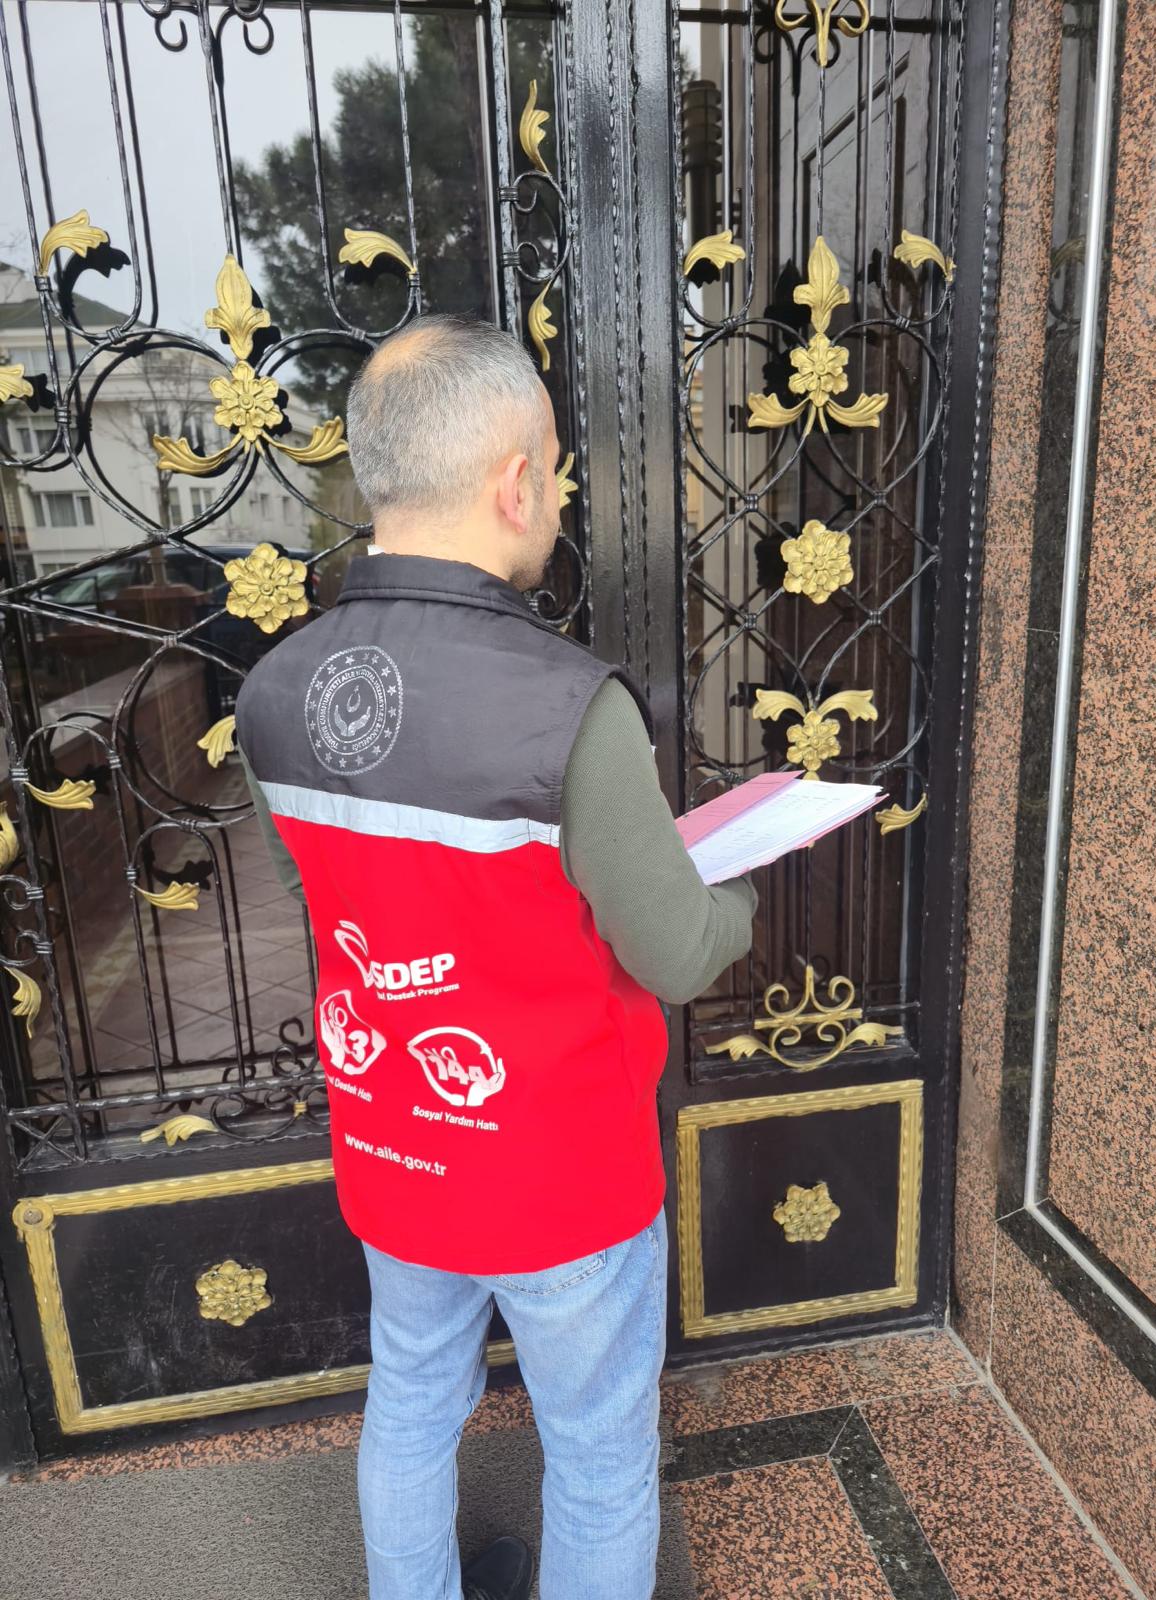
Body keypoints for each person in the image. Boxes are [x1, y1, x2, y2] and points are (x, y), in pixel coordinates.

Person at [236, 315, 756, 1600]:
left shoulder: (273, 693)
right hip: (559, 1168)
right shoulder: (566, 705)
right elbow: (676, 951)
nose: (560, 499)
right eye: (559, 471)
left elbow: (343, 898)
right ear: (516, 480)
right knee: (599, 1455)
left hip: (397, 1138)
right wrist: (732, 888)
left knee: (411, 1400)